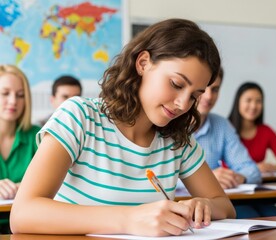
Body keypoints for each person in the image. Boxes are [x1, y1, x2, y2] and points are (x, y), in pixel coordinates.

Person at [10, 18, 235, 236]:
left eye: (195, 96)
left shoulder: (177, 140)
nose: (183, 104)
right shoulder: (79, 117)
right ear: (143, 63)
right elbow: (22, 214)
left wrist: (202, 205)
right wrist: (129, 219)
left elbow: (224, 206)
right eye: (176, 84)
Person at [194, 67, 276, 218]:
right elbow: (159, 179)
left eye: (215, 89)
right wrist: (207, 180)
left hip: (223, 200)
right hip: (192, 204)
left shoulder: (222, 125)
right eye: (204, 88)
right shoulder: (170, 126)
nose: (208, 96)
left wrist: (239, 177)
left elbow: (251, 170)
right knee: (250, 217)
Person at [0, 65, 40, 233]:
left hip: (26, 229)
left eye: (20, 95)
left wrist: (27, 188)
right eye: (5, 93)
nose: (13, 101)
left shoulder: (38, 136)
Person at [228, 82, 276, 173]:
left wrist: (271, 167)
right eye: (248, 100)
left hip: (258, 184)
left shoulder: (266, 131)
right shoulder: (225, 129)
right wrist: (254, 168)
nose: (254, 106)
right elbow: (221, 166)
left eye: (258, 101)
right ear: (238, 102)